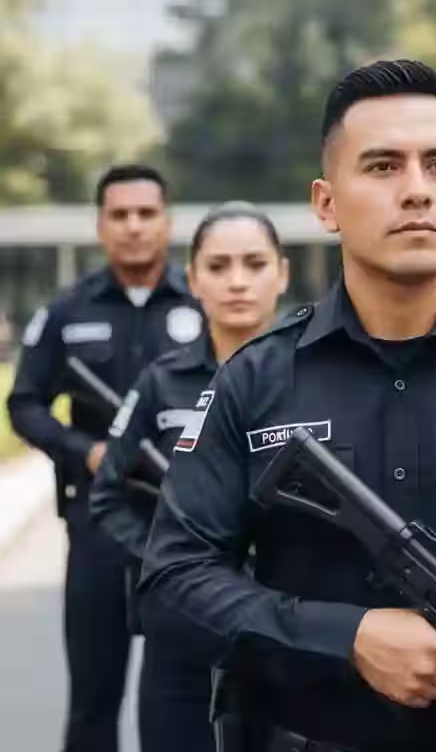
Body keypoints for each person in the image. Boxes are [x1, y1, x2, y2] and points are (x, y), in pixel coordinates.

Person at [138, 59, 436, 752]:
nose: (417, 190)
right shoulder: (254, 380)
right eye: (383, 167)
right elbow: (171, 583)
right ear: (325, 203)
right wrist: (346, 637)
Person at [7, 164, 204, 752]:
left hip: (188, 526)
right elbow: (25, 404)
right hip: (98, 523)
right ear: (101, 225)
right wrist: (84, 451)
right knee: (94, 699)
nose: (134, 226)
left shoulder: (202, 301)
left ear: (167, 222)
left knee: (186, 694)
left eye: (146, 213)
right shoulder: (67, 312)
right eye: (120, 215)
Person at [89, 201, 289, 752]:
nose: (238, 282)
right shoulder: (161, 382)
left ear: (282, 273)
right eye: (219, 267)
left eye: (254, 263)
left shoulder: (314, 379)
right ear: (193, 279)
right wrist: (169, 561)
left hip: (288, 632)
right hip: (181, 636)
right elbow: (107, 496)